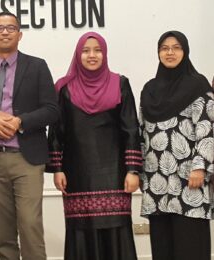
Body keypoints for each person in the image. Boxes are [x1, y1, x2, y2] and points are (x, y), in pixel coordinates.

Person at [0, 11, 59, 260]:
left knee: (30, 226)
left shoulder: (37, 66)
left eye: (10, 28)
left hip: (26, 158)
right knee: (3, 233)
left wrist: (20, 121)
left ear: (20, 34)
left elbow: (52, 110)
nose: (4, 32)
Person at [46, 32, 141, 260]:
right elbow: (57, 130)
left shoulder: (120, 84)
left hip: (115, 172)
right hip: (77, 173)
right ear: (78, 55)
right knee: (81, 229)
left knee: (116, 228)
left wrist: (133, 170)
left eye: (97, 50)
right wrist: (57, 169)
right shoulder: (64, 88)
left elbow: (130, 128)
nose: (92, 55)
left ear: (105, 53)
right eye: (86, 51)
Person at [140, 31, 213, 260]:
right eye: (164, 47)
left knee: (189, 247)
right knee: (163, 249)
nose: (170, 52)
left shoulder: (198, 85)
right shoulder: (149, 89)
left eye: (176, 47)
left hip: (188, 181)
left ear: (185, 51)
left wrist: (200, 167)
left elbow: (207, 129)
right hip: (156, 181)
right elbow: (142, 133)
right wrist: (142, 174)